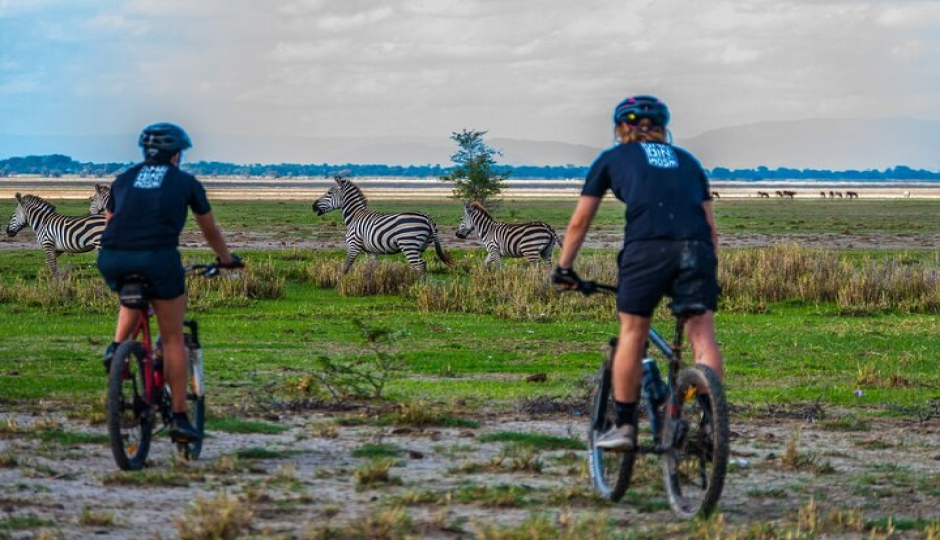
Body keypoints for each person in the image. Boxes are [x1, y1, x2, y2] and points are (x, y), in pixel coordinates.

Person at [552, 95, 721, 450]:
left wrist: (564, 268)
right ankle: (711, 423)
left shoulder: (612, 158)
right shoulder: (689, 162)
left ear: (620, 128)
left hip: (647, 249)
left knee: (633, 331)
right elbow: (709, 226)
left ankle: (626, 427)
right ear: (663, 128)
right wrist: (708, 268)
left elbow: (580, 221)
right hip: (697, 250)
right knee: (702, 335)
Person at [98, 122, 242, 442]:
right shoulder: (185, 182)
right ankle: (178, 417)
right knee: (173, 336)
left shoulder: (122, 180)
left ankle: (117, 349)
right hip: (157, 260)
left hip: (112, 258)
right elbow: (210, 231)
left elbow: (110, 225)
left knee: (130, 296)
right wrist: (226, 259)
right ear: (176, 154)